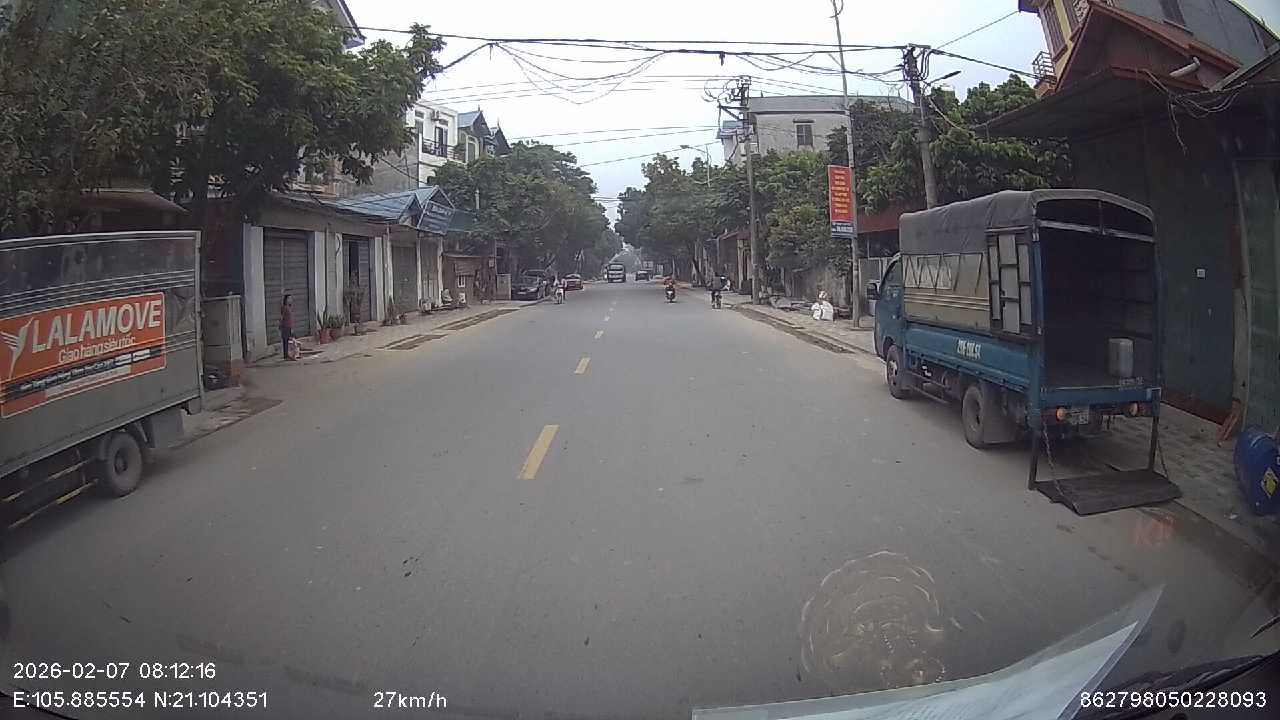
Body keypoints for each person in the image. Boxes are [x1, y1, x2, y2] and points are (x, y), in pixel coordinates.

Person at [279, 294, 295, 360]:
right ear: (286, 300)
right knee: (285, 341)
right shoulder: (284, 307)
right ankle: (286, 356)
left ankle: (289, 354)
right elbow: (281, 317)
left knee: (289, 340)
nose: (290, 300)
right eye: (289, 298)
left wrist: (292, 327)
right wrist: (280, 325)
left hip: (289, 326)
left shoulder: (289, 307)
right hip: (285, 326)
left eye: (291, 298)